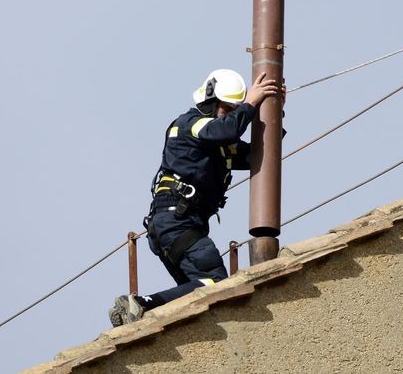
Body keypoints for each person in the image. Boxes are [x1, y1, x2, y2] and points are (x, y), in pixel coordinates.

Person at [109, 69, 284, 326]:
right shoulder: (191, 124)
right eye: (228, 109)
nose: (233, 115)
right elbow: (226, 130)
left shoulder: (215, 143)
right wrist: (250, 104)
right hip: (178, 222)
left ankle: (144, 311)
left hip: (175, 224)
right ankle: (142, 303)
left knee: (200, 292)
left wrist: (274, 110)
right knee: (216, 282)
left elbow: (260, 153)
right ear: (211, 102)